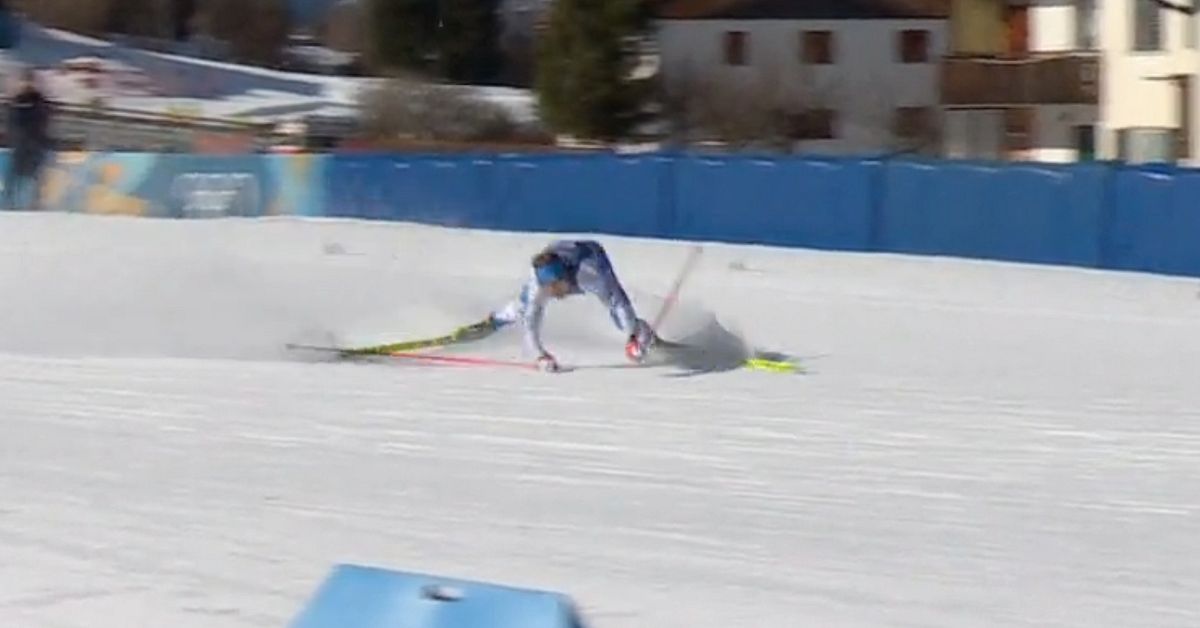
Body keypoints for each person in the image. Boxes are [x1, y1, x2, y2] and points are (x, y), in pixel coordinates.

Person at [488, 239, 658, 372]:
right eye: (547, 287)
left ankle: (642, 333)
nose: (552, 293)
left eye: (554, 286)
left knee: (619, 314)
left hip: (591, 254)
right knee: (525, 307)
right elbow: (531, 326)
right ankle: (498, 319)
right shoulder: (538, 286)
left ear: (563, 278)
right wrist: (541, 356)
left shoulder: (591, 275)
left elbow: (619, 302)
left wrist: (632, 337)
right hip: (557, 254)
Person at [4, 68, 51, 211]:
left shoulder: (39, 102)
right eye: (24, 82)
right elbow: (10, 121)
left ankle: (34, 204)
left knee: (34, 177)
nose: (27, 85)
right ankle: (10, 203)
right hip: (18, 145)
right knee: (14, 177)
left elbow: (43, 121)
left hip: (35, 145)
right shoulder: (16, 101)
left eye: (30, 82)